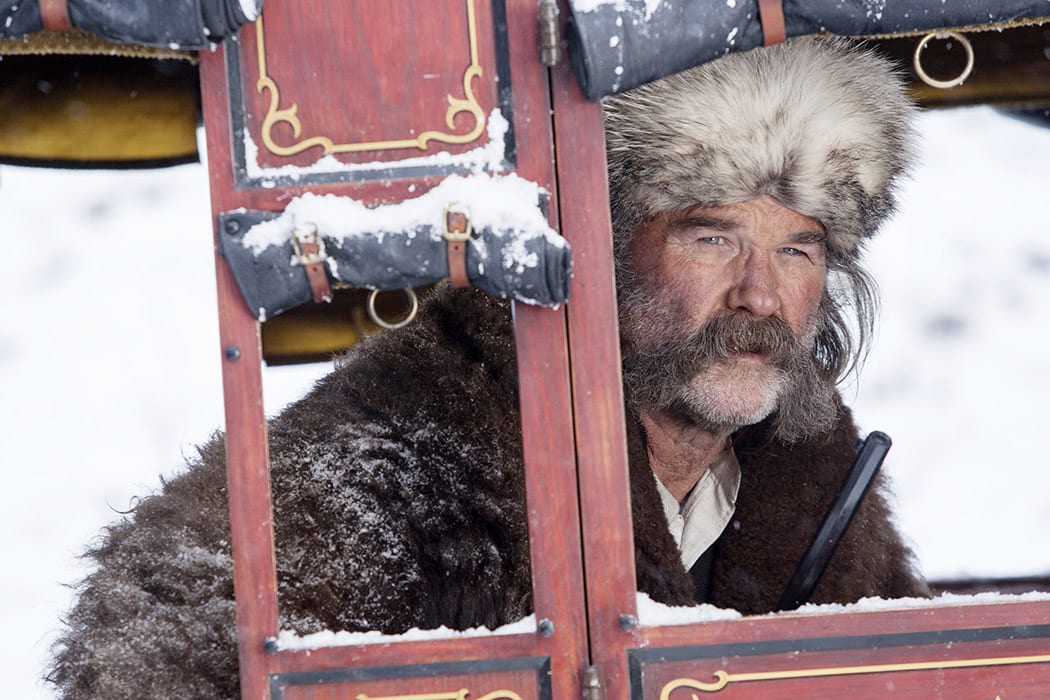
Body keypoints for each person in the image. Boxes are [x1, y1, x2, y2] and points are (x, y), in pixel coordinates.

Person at [47, 37, 929, 699]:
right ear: (606, 246)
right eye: (713, 239)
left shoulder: (822, 494)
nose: (761, 296)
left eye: (798, 250)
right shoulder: (400, 454)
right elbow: (167, 633)